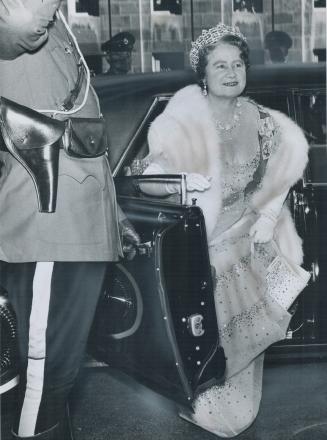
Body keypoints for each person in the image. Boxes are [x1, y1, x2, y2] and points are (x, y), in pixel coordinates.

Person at [137, 23, 310, 437]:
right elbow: (147, 176)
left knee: (248, 335)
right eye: (220, 65)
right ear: (203, 74)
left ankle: (237, 411)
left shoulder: (259, 118)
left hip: (247, 240)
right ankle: (207, 409)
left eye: (237, 64)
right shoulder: (183, 119)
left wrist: (269, 216)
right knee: (210, 336)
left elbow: (281, 172)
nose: (231, 72)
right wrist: (176, 178)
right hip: (202, 246)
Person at [0, 1, 139, 439]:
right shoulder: (21, 15)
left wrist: (112, 216)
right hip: (47, 224)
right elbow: (21, 24)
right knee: (45, 375)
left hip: (79, 223)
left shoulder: (57, 28)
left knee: (58, 376)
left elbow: (87, 135)